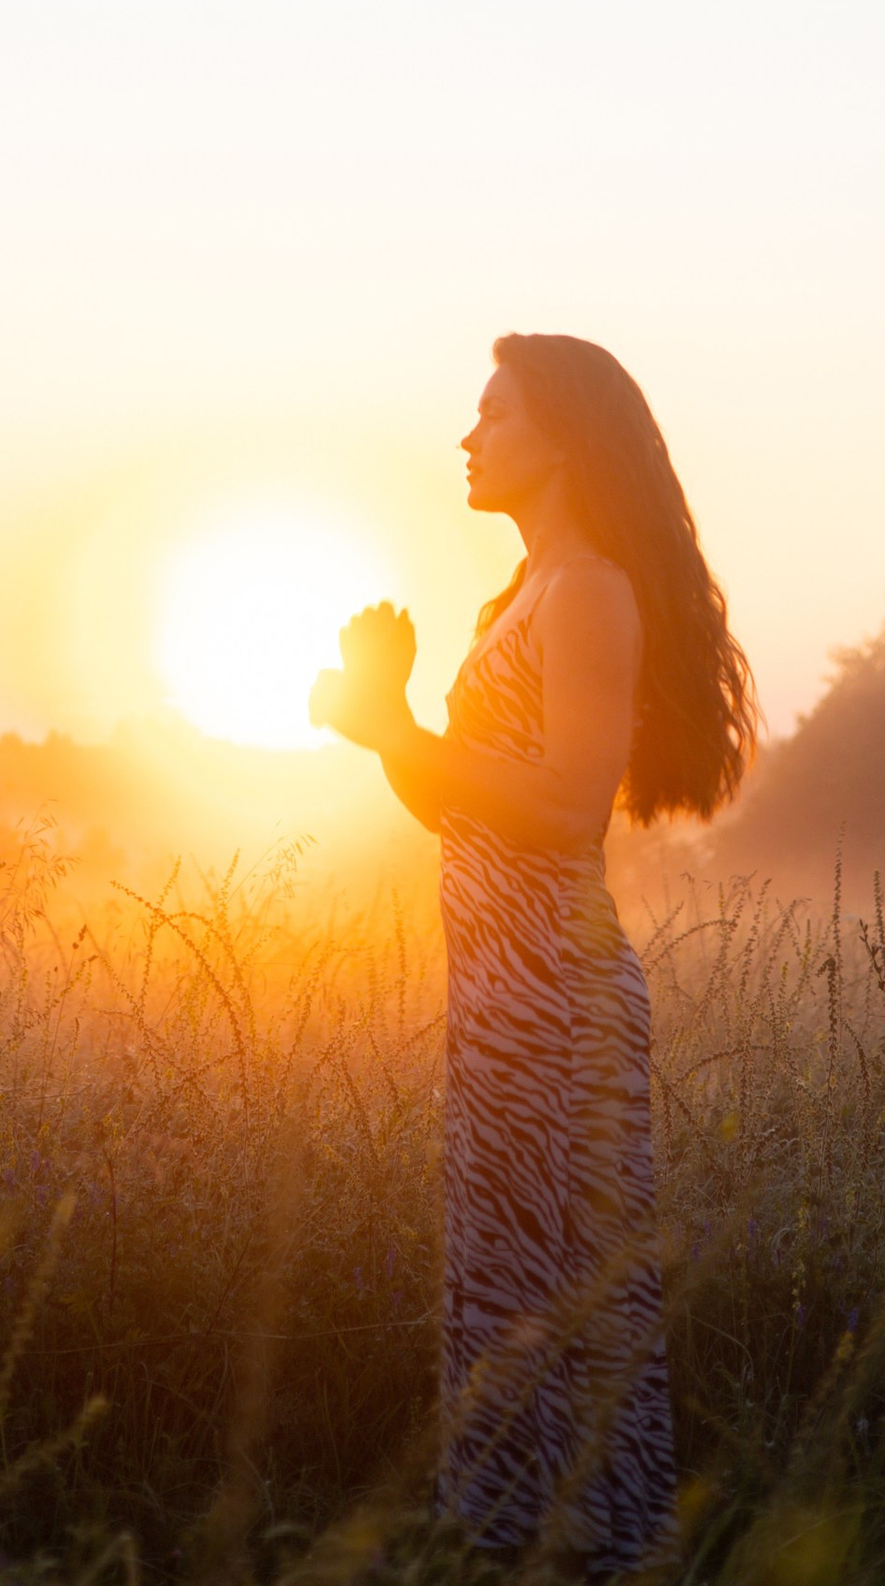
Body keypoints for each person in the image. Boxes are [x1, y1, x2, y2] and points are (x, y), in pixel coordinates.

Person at [310, 333, 755, 1572]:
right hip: (499, 994)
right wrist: (381, 727)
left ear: (562, 439)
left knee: (566, 1306)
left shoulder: (590, 593)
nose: (467, 437)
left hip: (558, 997)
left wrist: (395, 722)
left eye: (492, 414)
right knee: (506, 1300)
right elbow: (465, 805)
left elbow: (562, 809)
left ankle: (593, 1557)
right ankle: (515, 1553)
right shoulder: (515, 602)